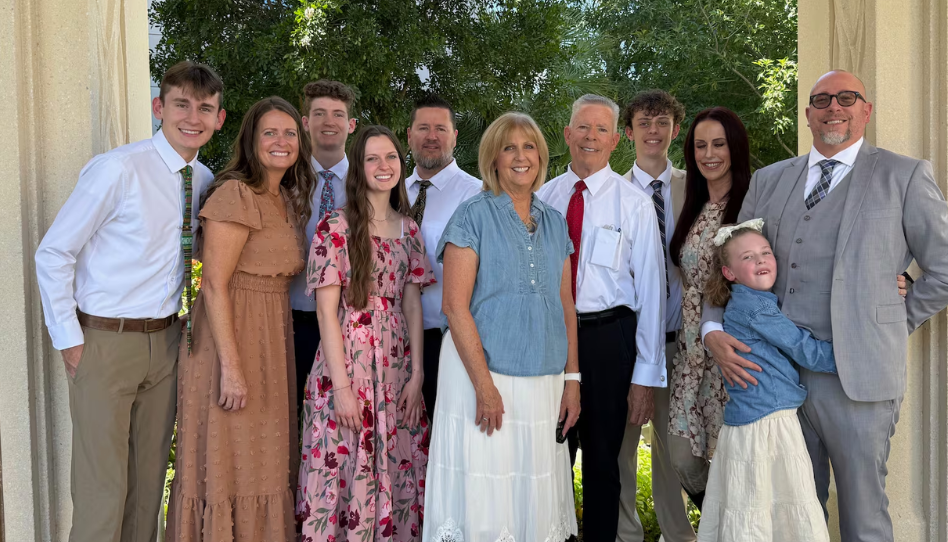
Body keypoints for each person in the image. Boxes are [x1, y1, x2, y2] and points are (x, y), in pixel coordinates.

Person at [702, 70, 948, 541]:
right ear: (808, 114)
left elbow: (943, 270)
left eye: (847, 98)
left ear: (865, 111)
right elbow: (726, 266)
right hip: (775, 381)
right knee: (790, 516)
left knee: (863, 516)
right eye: (822, 99)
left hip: (859, 379)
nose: (834, 107)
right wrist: (712, 330)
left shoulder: (905, 175)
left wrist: (890, 320)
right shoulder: (770, 180)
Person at [34, 61, 225, 542]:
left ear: (219, 118)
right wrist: (69, 339)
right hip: (106, 342)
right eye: (181, 104)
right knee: (102, 492)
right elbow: (54, 252)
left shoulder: (203, 179)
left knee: (147, 489)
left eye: (205, 108)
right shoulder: (118, 169)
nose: (193, 117)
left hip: (165, 341)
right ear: (159, 107)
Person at [424, 112, 580, 542]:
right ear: (493, 158)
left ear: (541, 156)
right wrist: (484, 387)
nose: (520, 156)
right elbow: (455, 307)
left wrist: (572, 380)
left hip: (544, 379)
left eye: (529, 147)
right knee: (485, 492)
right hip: (482, 376)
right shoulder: (471, 216)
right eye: (509, 147)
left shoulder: (555, 221)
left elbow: (565, 304)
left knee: (531, 491)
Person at [166, 96, 316, 541]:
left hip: (271, 341)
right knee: (230, 465)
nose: (281, 141)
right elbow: (214, 284)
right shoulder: (236, 194)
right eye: (269, 132)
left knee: (264, 463)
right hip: (228, 343)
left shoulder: (286, 198)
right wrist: (231, 369)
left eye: (289, 133)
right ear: (251, 139)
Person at [537, 95, 666, 542]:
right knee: (549, 457)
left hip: (608, 340)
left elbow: (651, 292)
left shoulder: (634, 204)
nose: (590, 137)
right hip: (551, 340)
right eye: (582, 127)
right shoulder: (543, 198)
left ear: (615, 140)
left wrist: (644, 377)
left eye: (601, 130)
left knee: (602, 463)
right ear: (567, 134)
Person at [296, 125, 433, 541]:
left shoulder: (409, 229)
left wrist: (417, 375)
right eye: (372, 158)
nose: (383, 165)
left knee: (396, 461)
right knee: (341, 461)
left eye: (390, 157)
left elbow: (412, 304)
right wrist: (340, 388)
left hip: (396, 367)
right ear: (359, 166)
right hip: (347, 364)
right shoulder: (335, 226)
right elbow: (325, 312)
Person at [696, 220, 831, 542]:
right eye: (747, 257)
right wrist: (854, 359)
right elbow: (803, 349)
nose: (759, 260)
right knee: (776, 502)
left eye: (765, 252)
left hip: (749, 421)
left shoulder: (744, 302)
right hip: (768, 422)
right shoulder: (756, 308)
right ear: (729, 273)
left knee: (753, 502)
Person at [618, 89, 697, 542]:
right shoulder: (613, 192)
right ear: (628, 132)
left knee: (675, 452)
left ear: (675, 129)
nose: (653, 130)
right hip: (626, 344)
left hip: (680, 342)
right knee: (621, 448)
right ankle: (625, 534)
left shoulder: (696, 187)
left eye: (662, 121)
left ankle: (677, 534)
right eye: (644, 123)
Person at [664, 107, 751, 508]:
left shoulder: (750, 206)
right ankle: (715, 519)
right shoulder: (692, 204)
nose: (709, 154)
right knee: (683, 456)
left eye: (719, 144)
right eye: (700, 145)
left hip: (732, 355)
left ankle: (730, 528)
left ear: (735, 147)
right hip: (691, 357)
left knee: (736, 464)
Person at [405, 94, 481, 413]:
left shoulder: (477, 196)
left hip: (448, 341)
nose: (432, 136)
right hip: (391, 339)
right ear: (409, 135)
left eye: (441, 128)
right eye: (423, 128)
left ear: (455, 136)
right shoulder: (390, 191)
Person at [291, 79, 358, 419]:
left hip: (348, 323)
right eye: (319, 113)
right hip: (290, 318)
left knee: (343, 420)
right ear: (305, 122)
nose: (328, 122)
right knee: (284, 416)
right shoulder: (284, 178)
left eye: (337, 114)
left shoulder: (369, 182)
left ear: (351, 124)